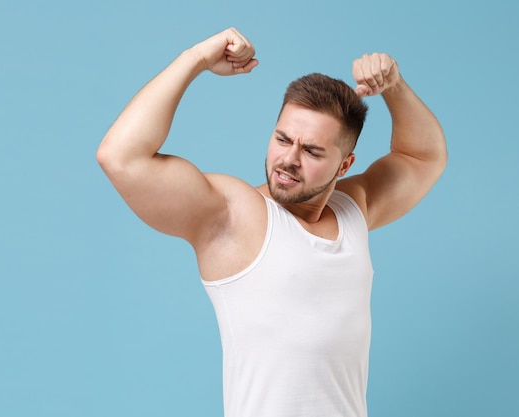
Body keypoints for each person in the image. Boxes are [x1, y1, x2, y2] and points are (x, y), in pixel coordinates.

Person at [97, 27, 446, 417]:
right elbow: (120, 157)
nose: (289, 160)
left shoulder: (354, 209)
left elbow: (423, 157)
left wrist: (394, 85)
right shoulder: (233, 215)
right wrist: (194, 58)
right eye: (283, 139)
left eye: (312, 150)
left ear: (345, 164)